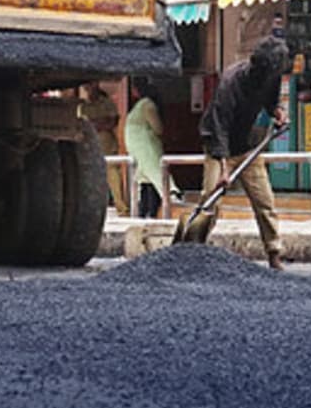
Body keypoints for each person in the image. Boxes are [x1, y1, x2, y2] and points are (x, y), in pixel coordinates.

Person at [198, 36, 290, 270]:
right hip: (218, 146)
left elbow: (271, 102)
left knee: (264, 201)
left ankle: (274, 251)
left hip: (247, 146)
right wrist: (224, 167)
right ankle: (194, 248)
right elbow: (219, 125)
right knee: (210, 200)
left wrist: (277, 112)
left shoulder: (272, 76)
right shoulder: (231, 82)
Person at [124, 77, 179, 219]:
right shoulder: (142, 105)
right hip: (140, 149)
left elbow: (158, 128)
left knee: (155, 175)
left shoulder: (146, 105)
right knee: (145, 179)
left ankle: (162, 205)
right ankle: (146, 212)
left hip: (147, 148)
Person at [80, 83, 127, 217]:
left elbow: (112, 121)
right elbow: (83, 124)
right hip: (89, 143)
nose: (88, 90)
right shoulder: (83, 106)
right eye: (86, 88)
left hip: (106, 142)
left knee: (112, 172)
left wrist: (96, 124)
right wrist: (98, 123)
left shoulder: (107, 103)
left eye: (90, 87)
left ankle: (121, 207)